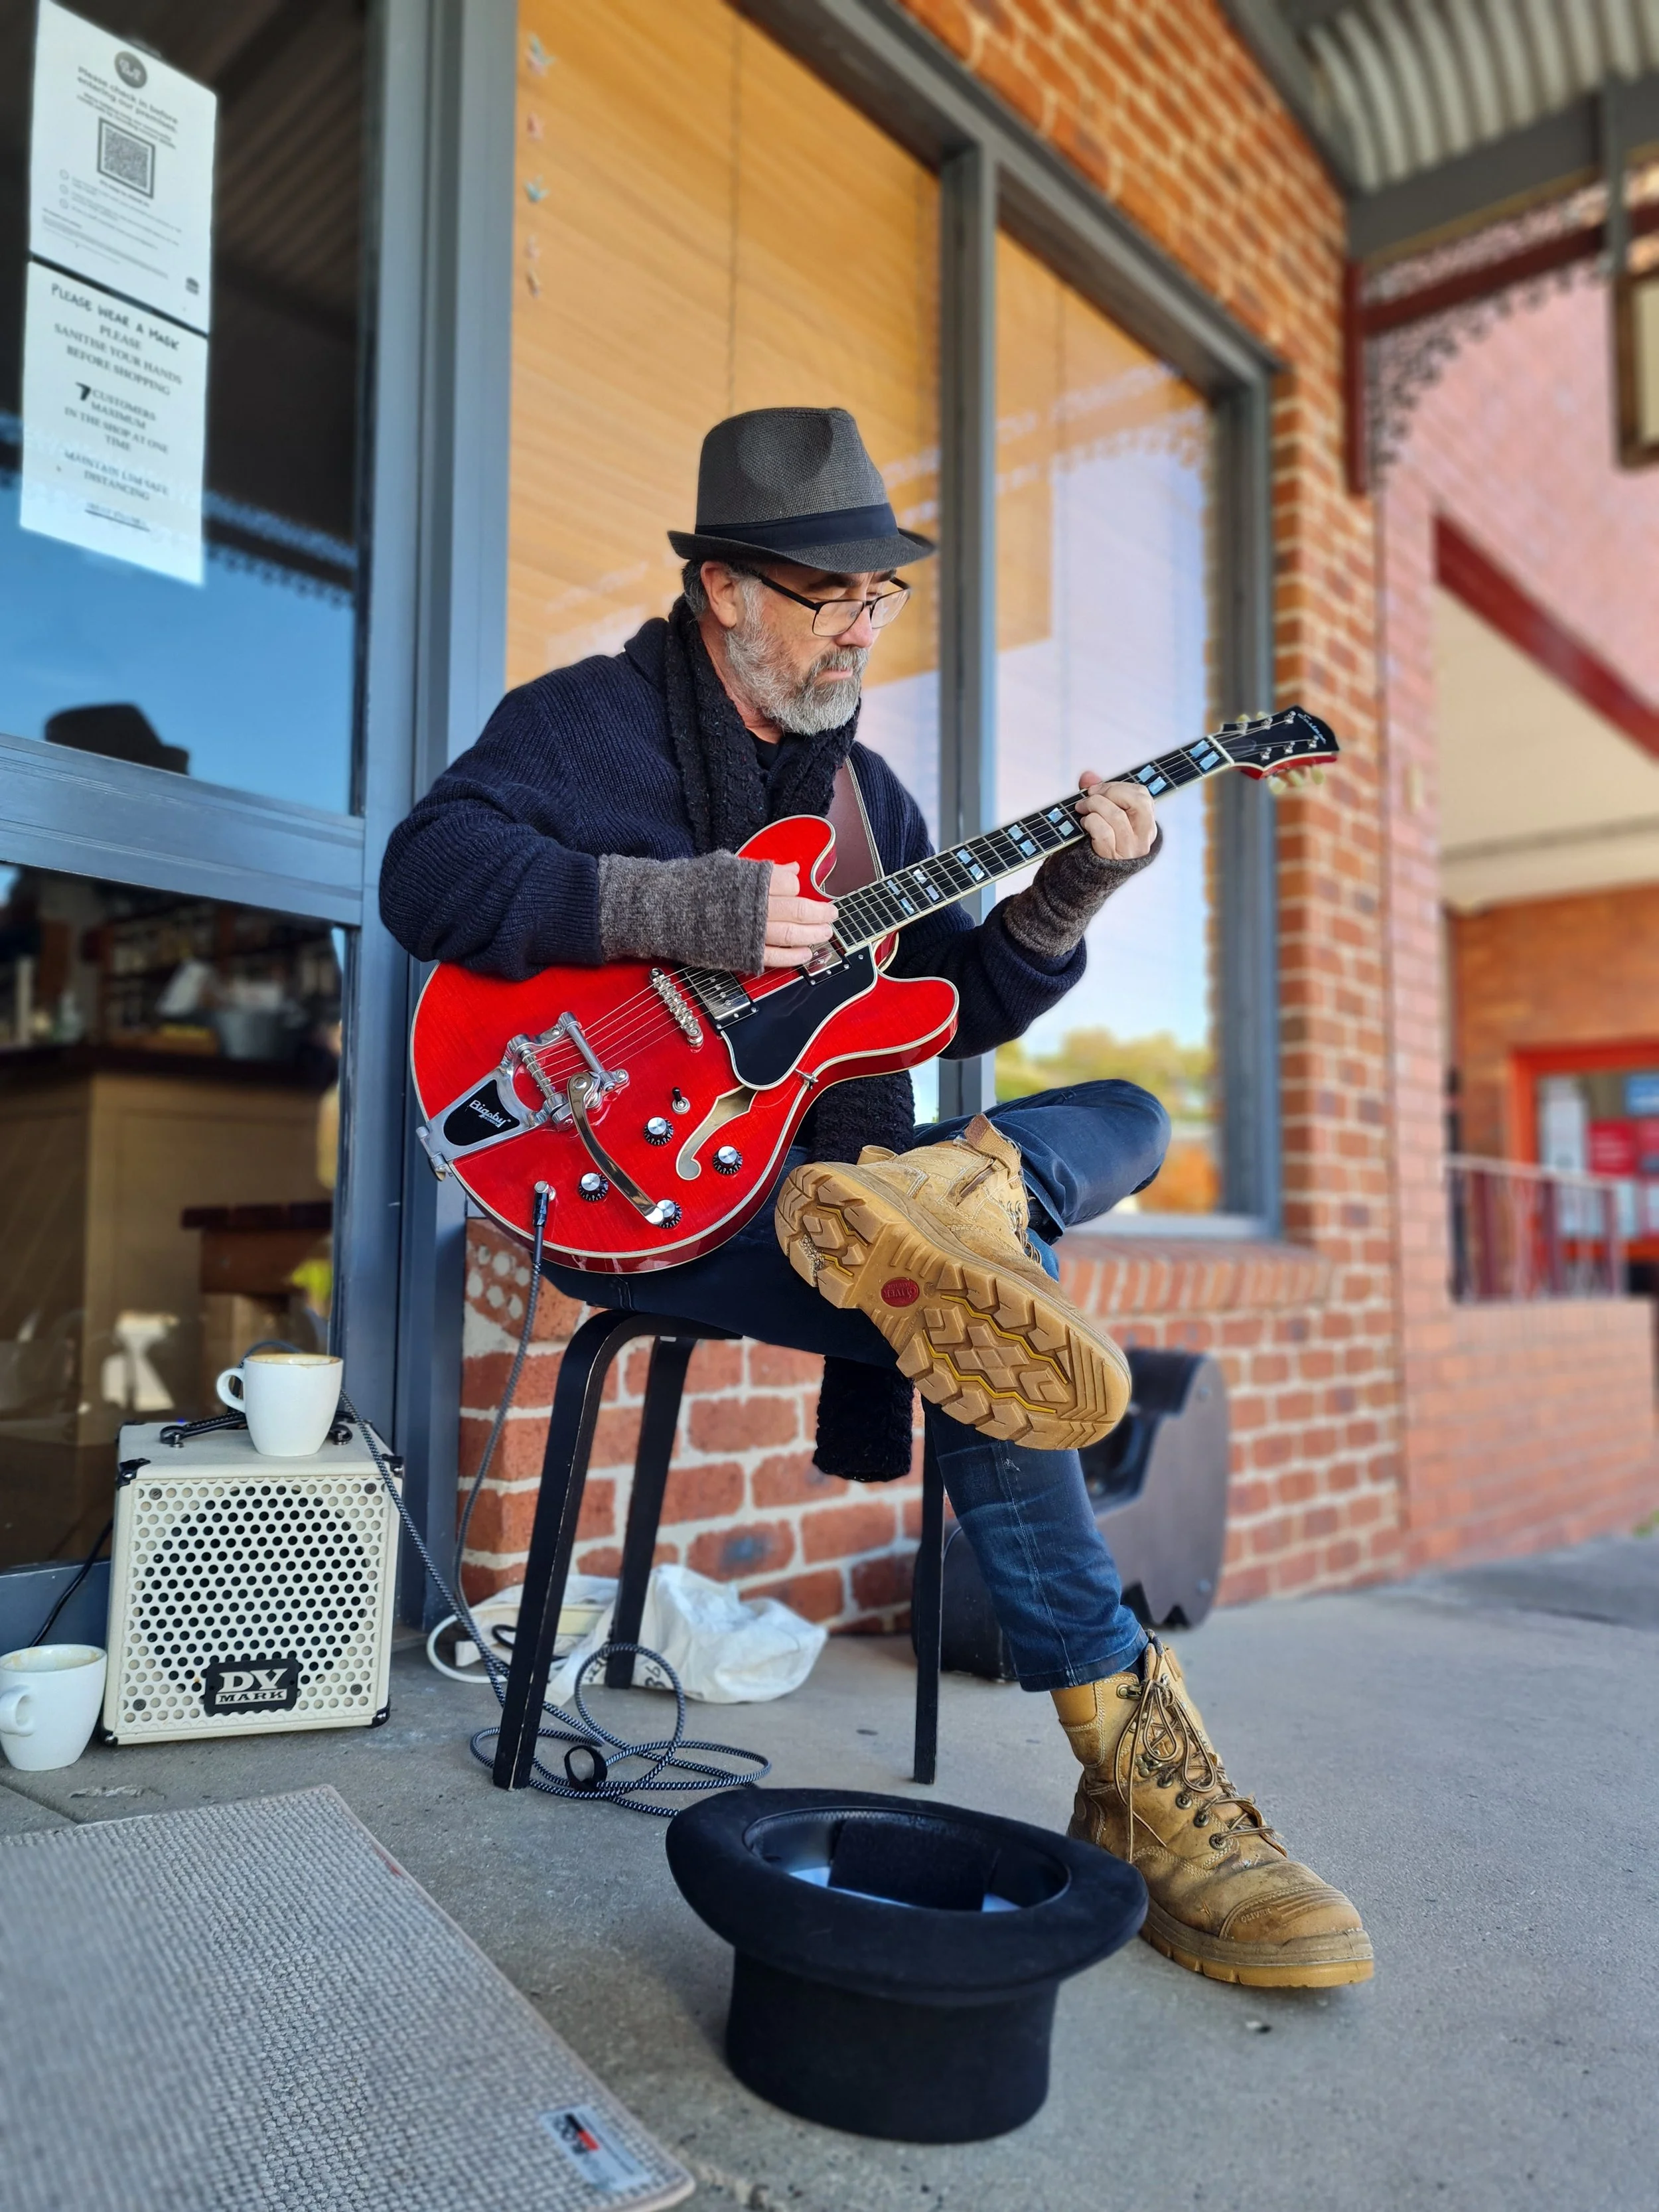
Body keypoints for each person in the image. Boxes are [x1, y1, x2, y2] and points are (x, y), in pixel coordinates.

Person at [380, 406, 1372, 1990]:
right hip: (652, 1190)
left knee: (1113, 1121)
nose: (861, 623)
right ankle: (1143, 1776)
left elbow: (948, 1000)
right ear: (721, 589)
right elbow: (426, 871)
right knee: (973, 1302)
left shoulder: (874, 808)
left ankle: (953, 1206)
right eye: (829, 591)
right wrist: (685, 905)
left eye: (878, 595)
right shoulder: (587, 726)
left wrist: (1074, 886)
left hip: (828, 1187)